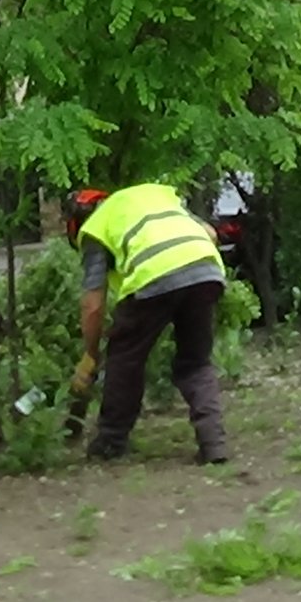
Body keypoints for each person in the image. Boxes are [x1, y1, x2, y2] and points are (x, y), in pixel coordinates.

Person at [66, 183, 230, 464]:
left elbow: (92, 305)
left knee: (124, 359)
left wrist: (91, 353)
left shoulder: (95, 227)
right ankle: (214, 444)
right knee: (195, 363)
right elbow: (210, 233)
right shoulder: (156, 195)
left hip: (152, 278)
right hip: (205, 270)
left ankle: (110, 442)